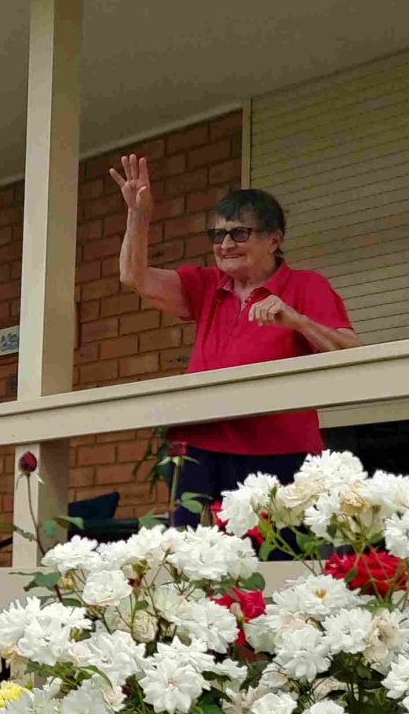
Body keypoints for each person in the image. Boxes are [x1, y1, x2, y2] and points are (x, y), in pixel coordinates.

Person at [113, 154, 358, 524]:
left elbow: (352, 355)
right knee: (194, 563)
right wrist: (138, 214)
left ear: (274, 239)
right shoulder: (207, 284)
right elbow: (135, 276)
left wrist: (295, 320)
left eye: (239, 233)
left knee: (277, 562)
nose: (225, 244)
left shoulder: (306, 285)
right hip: (199, 446)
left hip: (279, 450)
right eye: (218, 234)